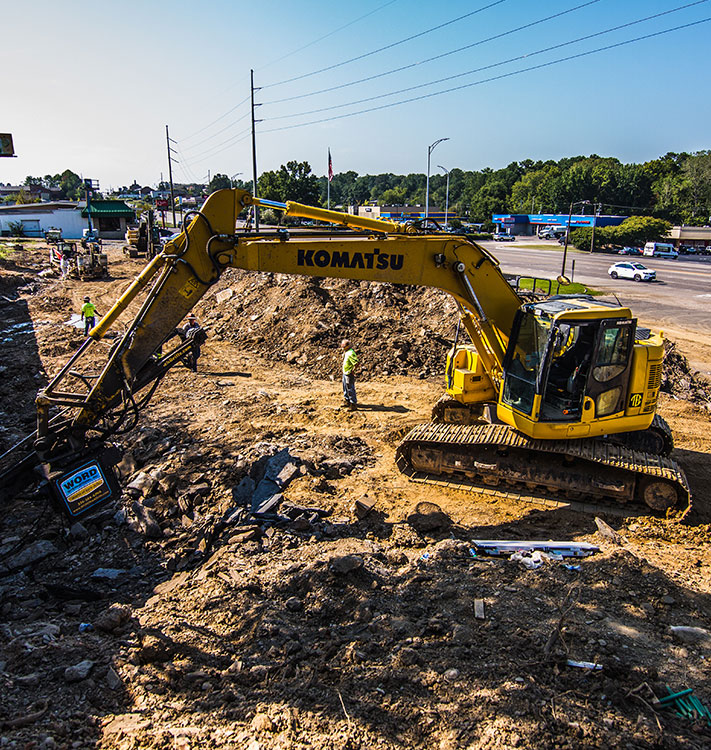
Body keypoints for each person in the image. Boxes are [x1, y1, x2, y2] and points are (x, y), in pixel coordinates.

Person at [340, 338, 358, 410]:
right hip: (345, 373)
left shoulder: (351, 353)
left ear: (347, 345)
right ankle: (347, 400)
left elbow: (356, 363)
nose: (341, 346)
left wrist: (353, 370)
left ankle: (353, 404)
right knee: (345, 388)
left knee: (350, 388)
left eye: (343, 344)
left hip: (349, 373)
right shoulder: (346, 352)